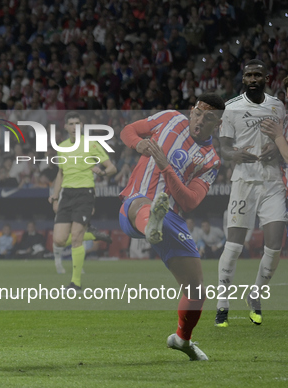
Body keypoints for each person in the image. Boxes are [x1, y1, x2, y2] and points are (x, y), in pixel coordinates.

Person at [119, 93, 226, 361]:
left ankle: (182, 339)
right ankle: (149, 227)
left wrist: (167, 168)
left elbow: (190, 201)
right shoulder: (169, 118)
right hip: (135, 205)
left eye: (209, 118)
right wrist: (138, 144)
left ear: (218, 124)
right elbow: (128, 130)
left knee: (197, 290)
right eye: (198, 113)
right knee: (145, 205)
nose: (201, 120)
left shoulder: (210, 160)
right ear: (191, 111)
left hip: (172, 219)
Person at [215, 60, 286, 327]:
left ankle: (254, 294)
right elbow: (224, 147)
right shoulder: (231, 107)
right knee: (234, 246)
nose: (253, 78)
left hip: (272, 182)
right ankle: (222, 304)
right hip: (244, 181)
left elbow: (283, 139)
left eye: (257, 74)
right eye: (248, 75)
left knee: (275, 246)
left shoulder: (277, 106)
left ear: (267, 77)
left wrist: (277, 149)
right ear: (243, 79)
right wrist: (234, 154)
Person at [49, 112, 117, 289]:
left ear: (81, 126)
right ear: (65, 127)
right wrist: (55, 196)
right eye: (70, 123)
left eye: (77, 123)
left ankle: (75, 283)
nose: (74, 126)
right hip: (66, 195)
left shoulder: (91, 144)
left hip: (84, 194)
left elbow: (111, 168)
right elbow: (60, 173)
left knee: (77, 239)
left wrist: (101, 172)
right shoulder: (62, 147)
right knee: (59, 240)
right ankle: (92, 235)